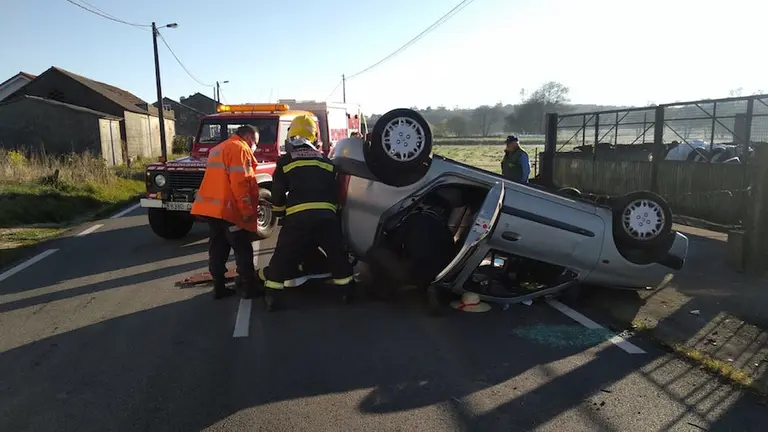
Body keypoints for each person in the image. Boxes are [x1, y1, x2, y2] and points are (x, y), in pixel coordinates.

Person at [254, 114, 355, 312]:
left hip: (298, 218)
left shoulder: (286, 161)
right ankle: (346, 291)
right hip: (326, 217)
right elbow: (336, 190)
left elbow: (278, 192)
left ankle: (272, 296)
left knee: (283, 256)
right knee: (336, 254)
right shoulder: (326, 161)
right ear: (314, 137)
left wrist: (279, 213)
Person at [190, 125, 262, 300]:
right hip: (230, 210)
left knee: (218, 247)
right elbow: (240, 183)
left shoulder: (218, 149)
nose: (255, 146)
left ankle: (219, 287)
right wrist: (246, 211)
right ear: (248, 137)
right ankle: (248, 288)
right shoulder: (240, 149)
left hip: (213, 210)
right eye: (255, 142)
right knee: (242, 248)